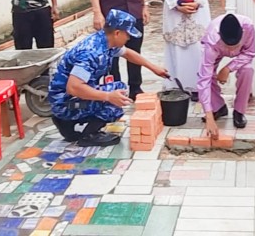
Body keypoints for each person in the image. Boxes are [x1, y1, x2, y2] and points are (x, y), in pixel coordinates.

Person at [48, 9, 169, 147]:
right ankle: (88, 135)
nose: (129, 38)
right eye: (127, 34)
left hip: (69, 98)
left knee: (116, 91)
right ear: (117, 33)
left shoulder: (105, 40)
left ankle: (67, 125)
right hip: (65, 101)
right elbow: (73, 87)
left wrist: (153, 67)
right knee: (116, 99)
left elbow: (128, 53)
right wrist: (108, 96)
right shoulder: (91, 52)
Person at [199, 14, 255, 136]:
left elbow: (250, 53)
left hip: (243, 55)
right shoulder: (212, 40)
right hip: (216, 50)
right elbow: (204, 79)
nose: (231, 49)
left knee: (248, 70)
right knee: (206, 75)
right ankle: (218, 107)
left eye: (235, 44)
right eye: (228, 45)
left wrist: (227, 68)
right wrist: (209, 117)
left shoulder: (248, 27)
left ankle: (239, 111)